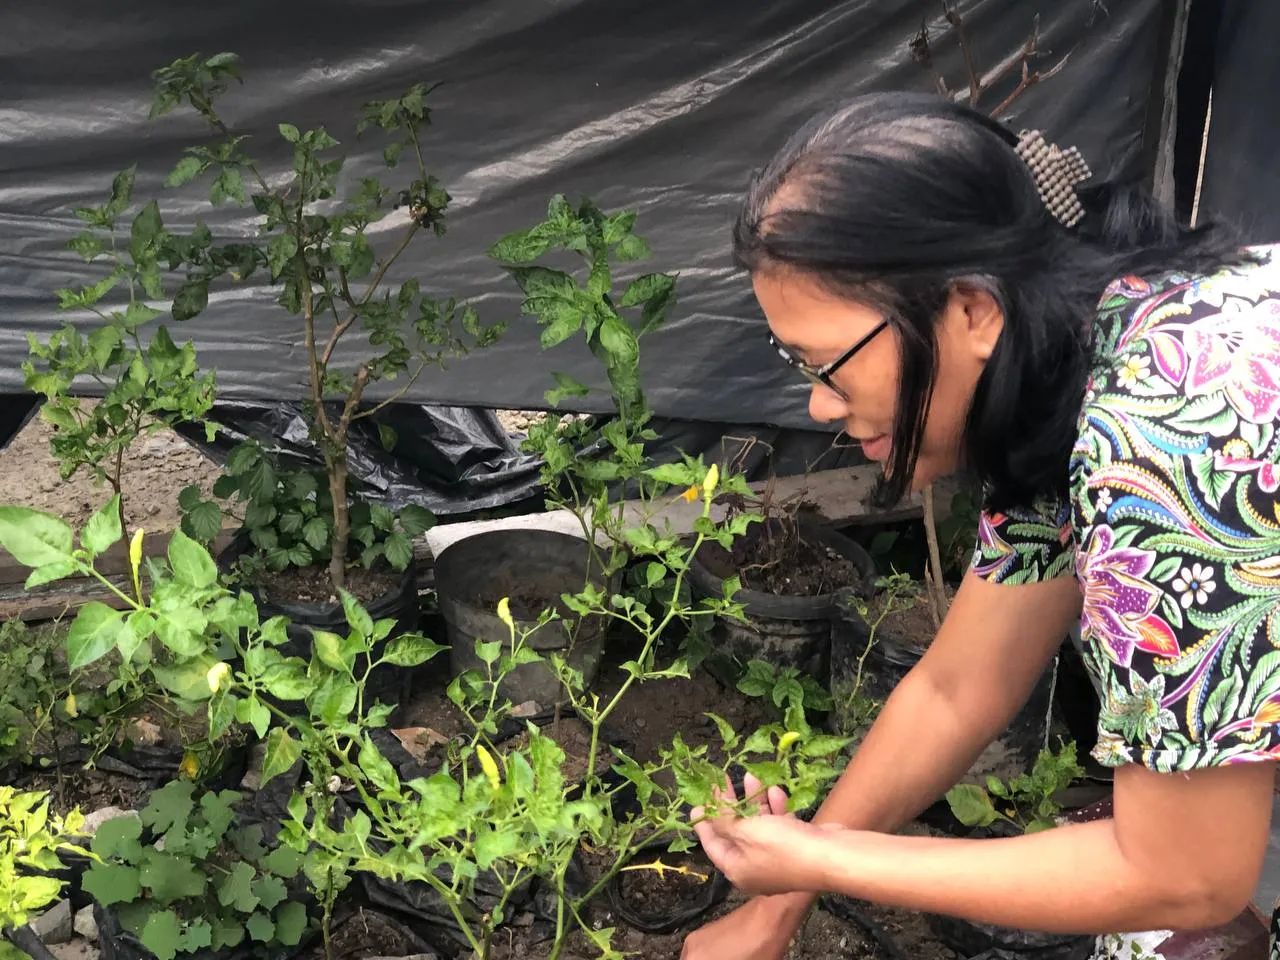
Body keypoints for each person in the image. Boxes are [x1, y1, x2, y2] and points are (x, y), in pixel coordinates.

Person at [681, 91, 1280, 960]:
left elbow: (1189, 876)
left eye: (829, 365)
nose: (817, 403)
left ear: (971, 310)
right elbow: (958, 685)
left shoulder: (1169, 436)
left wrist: (824, 856)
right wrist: (776, 909)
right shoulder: (1068, 364)